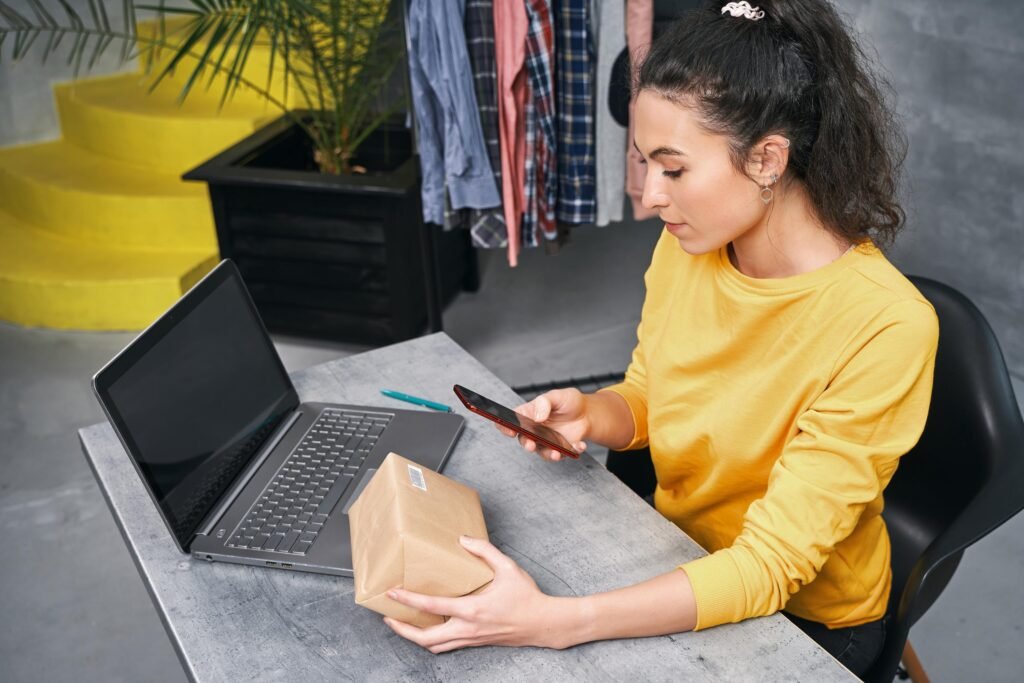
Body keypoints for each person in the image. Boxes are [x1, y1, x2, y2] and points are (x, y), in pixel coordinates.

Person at [383, 0, 938, 676]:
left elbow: (768, 568)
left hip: (803, 620)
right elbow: (653, 391)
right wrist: (594, 412)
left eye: (673, 169)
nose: (648, 196)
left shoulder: (885, 325)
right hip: (675, 549)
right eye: (645, 164)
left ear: (767, 158)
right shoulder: (690, 248)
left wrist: (561, 621)